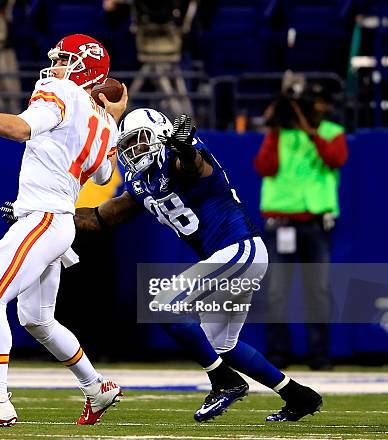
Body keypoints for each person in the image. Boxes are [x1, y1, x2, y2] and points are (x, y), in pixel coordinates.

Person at [74, 108, 323, 422]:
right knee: (222, 345)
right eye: (128, 146)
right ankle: (298, 396)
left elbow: (193, 166)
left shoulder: (181, 157)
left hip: (238, 250)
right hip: (232, 258)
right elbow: (99, 218)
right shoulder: (141, 181)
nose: (134, 150)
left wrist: (182, 146)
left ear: (162, 135)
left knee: (164, 305)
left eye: (139, 140)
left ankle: (225, 382)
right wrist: (46, 214)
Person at [0, 33, 128, 428]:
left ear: (84, 69)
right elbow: (106, 171)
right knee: (37, 320)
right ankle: (96, 387)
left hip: (44, 218)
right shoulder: (104, 122)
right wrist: (113, 118)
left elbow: (19, 129)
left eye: (64, 60)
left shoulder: (62, 92)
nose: (56, 67)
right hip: (57, 221)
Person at [254, 84, 348, 370]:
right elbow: (264, 167)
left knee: (317, 290)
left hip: (317, 223)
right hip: (281, 221)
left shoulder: (332, 131)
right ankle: (278, 355)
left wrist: (311, 132)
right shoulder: (279, 132)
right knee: (277, 291)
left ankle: (320, 356)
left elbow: (336, 158)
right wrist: (274, 127)